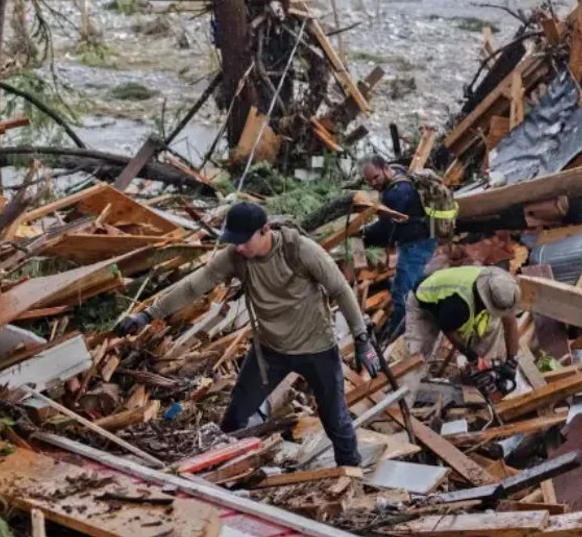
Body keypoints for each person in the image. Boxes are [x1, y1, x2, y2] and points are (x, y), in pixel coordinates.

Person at [117, 202, 381, 468]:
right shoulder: (236, 256)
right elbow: (193, 287)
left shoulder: (299, 250)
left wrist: (361, 339)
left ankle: (350, 474)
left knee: (336, 420)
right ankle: (227, 472)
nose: (239, 247)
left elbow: (340, 290)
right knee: (235, 416)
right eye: (234, 241)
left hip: (316, 348)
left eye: (244, 240)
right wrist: (146, 316)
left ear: (265, 230)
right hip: (270, 351)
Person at [361, 155, 436, 344]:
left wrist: (362, 236)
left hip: (415, 246)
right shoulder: (399, 174)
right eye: (369, 181)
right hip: (420, 241)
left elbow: (385, 229)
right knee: (411, 287)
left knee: (402, 295)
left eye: (376, 177)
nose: (373, 183)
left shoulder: (396, 193)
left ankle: (398, 339)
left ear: (386, 168)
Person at [406, 266, 521, 389]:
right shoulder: (459, 304)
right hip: (425, 301)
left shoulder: (500, 287)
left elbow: (510, 323)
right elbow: (449, 329)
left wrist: (511, 360)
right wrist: (471, 355)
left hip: (456, 305)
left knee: (492, 327)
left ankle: (478, 385)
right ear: (487, 300)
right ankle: (403, 401)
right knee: (416, 359)